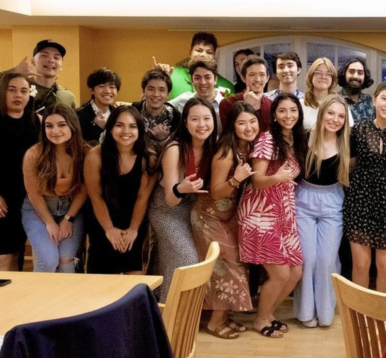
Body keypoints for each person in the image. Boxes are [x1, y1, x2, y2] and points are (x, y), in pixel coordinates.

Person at [239, 93, 307, 338]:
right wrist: (277, 177)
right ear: (274, 116)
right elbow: (256, 181)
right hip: (262, 214)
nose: (288, 115)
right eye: (282, 111)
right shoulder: (267, 140)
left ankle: (268, 314)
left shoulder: (296, 140)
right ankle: (260, 319)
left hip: (284, 211)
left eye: (293, 110)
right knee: (280, 274)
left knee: (296, 272)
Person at [192, 102, 258, 339]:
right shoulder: (226, 151)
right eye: (242, 123)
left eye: (252, 121)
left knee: (237, 262)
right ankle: (214, 322)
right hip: (209, 216)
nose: (248, 127)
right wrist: (237, 179)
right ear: (232, 126)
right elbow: (216, 191)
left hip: (230, 216)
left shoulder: (248, 146)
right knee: (225, 266)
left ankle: (226, 315)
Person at [344, 83, 386, 293]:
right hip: (360, 201)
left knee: (385, 265)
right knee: (361, 264)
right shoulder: (358, 129)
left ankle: (381, 313)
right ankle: (360, 313)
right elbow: (350, 163)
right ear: (374, 100)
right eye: (384, 98)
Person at [148, 98, 216, 300]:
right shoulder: (175, 149)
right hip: (166, 211)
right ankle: (173, 313)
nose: (201, 124)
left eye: (206, 118)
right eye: (195, 119)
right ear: (185, 122)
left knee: (168, 260)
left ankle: (160, 308)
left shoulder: (212, 147)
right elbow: (170, 198)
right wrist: (181, 188)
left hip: (192, 210)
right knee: (186, 257)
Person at [294, 96, 351, 327]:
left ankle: (326, 311)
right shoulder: (304, 138)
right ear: (322, 113)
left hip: (332, 200)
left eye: (340, 116)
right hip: (304, 199)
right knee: (308, 258)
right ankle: (306, 312)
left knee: (327, 259)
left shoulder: (348, 142)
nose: (335, 119)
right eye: (331, 113)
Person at [0, 73, 40, 270]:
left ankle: (13, 300)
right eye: (11, 90)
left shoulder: (37, 120)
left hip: (26, 199)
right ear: (1, 92)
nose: (18, 95)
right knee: (3, 256)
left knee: (17, 254)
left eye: (23, 90)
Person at [83, 106, 155, 274]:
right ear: (110, 128)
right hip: (102, 217)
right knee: (103, 276)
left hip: (134, 218)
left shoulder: (148, 158)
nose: (126, 131)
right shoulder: (95, 156)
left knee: (134, 274)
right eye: (119, 125)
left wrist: (133, 229)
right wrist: (109, 229)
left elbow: (142, 197)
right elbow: (96, 197)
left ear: (140, 130)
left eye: (132, 126)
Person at [21, 105, 88, 273]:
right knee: (48, 261)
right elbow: (33, 193)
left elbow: (84, 190)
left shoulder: (85, 152)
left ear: (72, 125)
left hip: (72, 209)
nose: (55, 130)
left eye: (61, 124)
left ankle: (68, 300)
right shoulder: (34, 154)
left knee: (66, 261)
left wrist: (68, 219)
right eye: (49, 126)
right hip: (38, 210)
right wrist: (49, 222)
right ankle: (39, 300)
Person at [0, 40, 76, 112]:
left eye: (56, 57)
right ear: (33, 62)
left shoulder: (67, 97)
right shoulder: (15, 90)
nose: (51, 60)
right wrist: (13, 72)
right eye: (44, 55)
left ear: (62, 66)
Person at [164, 32, 234, 99]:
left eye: (209, 52)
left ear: (215, 56)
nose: (203, 55)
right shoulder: (172, 74)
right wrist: (160, 74)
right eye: (199, 50)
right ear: (190, 53)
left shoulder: (226, 86)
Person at [131, 68, 181, 154]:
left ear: (168, 94)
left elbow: (179, 150)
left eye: (161, 90)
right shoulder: (133, 111)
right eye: (151, 89)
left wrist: (164, 140)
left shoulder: (176, 116)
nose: (156, 94)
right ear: (143, 91)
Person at [219, 56, 273, 130]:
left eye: (262, 74)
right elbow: (229, 135)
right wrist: (246, 107)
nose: (257, 79)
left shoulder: (271, 105)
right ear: (243, 78)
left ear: (267, 78)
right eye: (252, 75)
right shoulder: (227, 104)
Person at [300, 57, 353, 131]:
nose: (323, 77)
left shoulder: (341, 105)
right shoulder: (300, 105)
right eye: (318, 73)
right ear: (311, 76)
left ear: (332, 79)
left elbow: (348, 132)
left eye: (328, 74)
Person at [76, 67, 121, 146]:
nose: (107, 91)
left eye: (112, 87)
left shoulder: (118, 114)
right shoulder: (79, 115)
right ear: (91, 90)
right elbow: (79, 146)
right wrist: (98, 128)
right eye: (101, 86)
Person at [338, 58, 375, 125]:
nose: (355, 76)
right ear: (344, 74)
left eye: (360, 73)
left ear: (365, 77)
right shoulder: (334, 100)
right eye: (351, 72)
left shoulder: (372, 102)